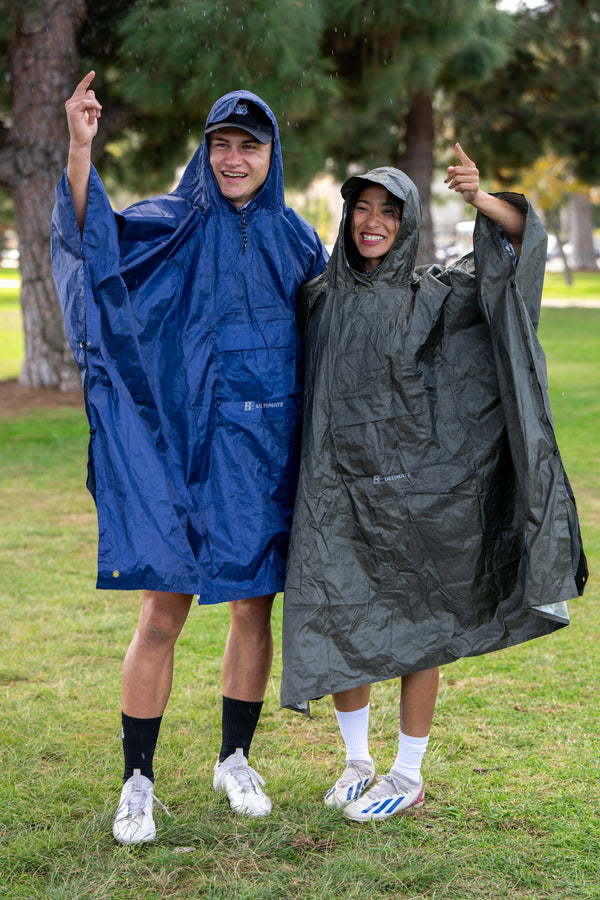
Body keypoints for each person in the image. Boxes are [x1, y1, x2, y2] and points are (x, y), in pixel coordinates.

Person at [51, 72, 328, 843]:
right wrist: (81, 148)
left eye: (250, 145)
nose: (234, 159)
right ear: (205, 152)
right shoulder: (170, 223)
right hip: (182, 454)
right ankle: (138, 778)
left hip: (262, 458)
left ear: (273, 153)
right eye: (222, 144)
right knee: (162, 612)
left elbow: (343, 329)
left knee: (252, 609)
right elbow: (90, 239)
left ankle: (233, 759)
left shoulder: (297, 238)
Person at [280, 145, 587, 822]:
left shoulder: (438, 298)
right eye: (361, 207)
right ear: (346, 215)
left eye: (389, 211)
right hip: (338, 493)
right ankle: (357, 762)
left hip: (418, 496)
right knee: (341, 614)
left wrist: (479, 197)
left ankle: (407, 771)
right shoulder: (318, 300)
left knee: (423, 621)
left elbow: (514, 253)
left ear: (408, 222)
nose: (372, 221)